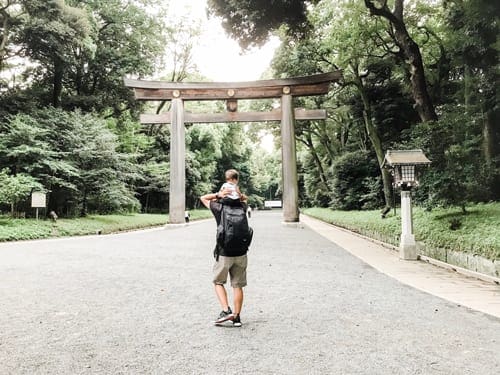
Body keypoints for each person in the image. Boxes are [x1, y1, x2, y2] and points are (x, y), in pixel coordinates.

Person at [200, 169, 250, 327]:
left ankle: (225, 310)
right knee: (238, 285)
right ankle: (237, 317)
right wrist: (240, 194)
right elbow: (244, 198)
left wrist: (218, 194)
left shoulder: (218, 207)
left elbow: (203, 198)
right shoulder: (242, 206)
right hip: (241, 251)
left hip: (224, 252)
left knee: (218, 281)